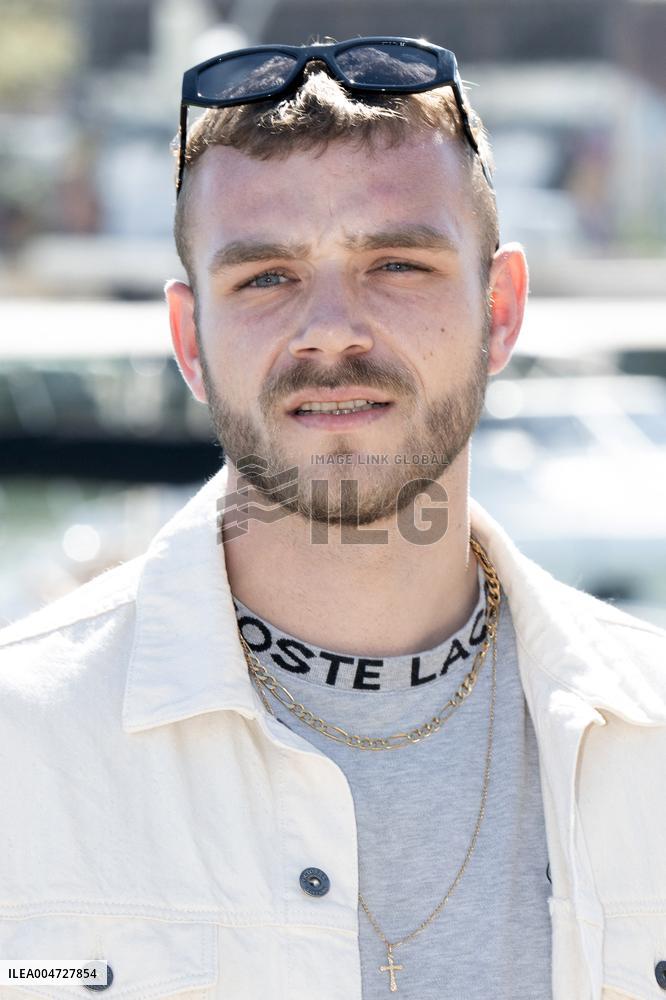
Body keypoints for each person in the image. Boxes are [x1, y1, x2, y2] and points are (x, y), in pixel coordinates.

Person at [0, 36, 665, 1000]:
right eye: (265, 277)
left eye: (396, 264)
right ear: (190, 340)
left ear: (502, 309)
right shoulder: (23, 748)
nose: (331, 328)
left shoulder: (651, 743)